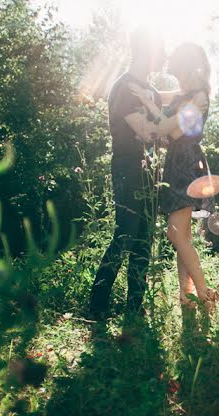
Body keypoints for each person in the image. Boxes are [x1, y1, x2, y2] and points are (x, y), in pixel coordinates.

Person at [128, 42, 219, 311]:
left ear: (188, 68)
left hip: (187, 167)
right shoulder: (187, 95)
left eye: (179, 71)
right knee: (183, 237)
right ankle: (186, 299)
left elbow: (174, 133)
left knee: (175, 233)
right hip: (178, 164)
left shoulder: (199, 97)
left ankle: (205, 296)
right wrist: (145, 96)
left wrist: (148, 102)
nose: (177, 78)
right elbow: (164, 99)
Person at [86, 28, 165, 321]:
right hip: (127, 167)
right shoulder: (123, 88)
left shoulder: (152, 92)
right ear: (146, 51)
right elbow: (146, 131)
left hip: (151, 172)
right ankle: (97, 306)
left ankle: (134, 307)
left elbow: (161, 136)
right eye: (160, 49)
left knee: (145, 237)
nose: (164, 55)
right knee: (126, 231)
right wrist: (165, 126)